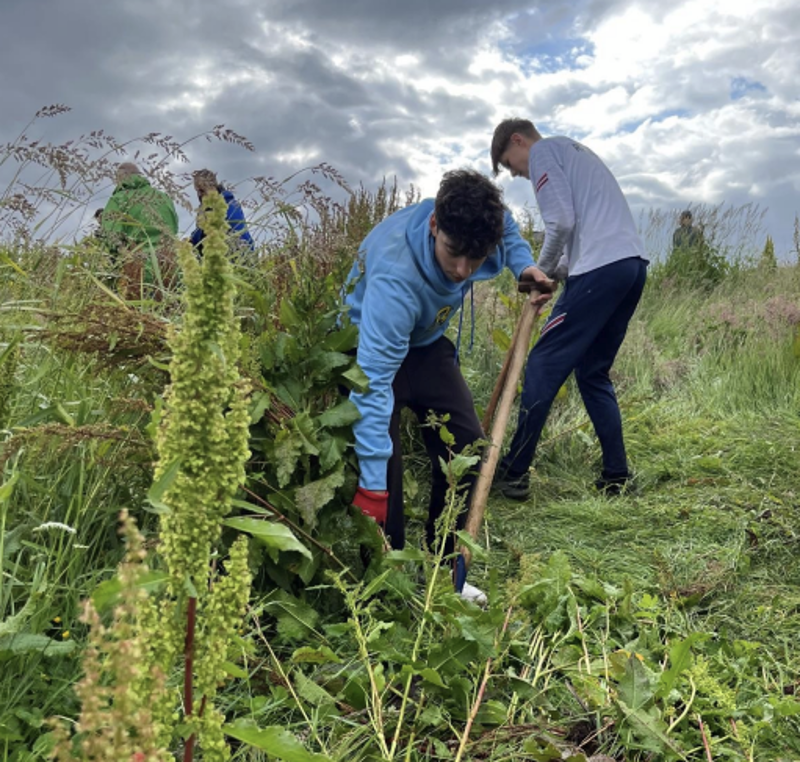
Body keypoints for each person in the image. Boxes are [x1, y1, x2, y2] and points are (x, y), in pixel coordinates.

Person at [344, 168, 554, 604]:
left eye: (475, 260)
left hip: (424, 343)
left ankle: (445, 575)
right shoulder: (395, 281)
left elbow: (508, 225)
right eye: (454, 253)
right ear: (435, 226)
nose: (462, 271)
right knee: (384, 475)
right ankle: (390, 587)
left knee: (467, 449)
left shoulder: (476, 229)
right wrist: (370, 487)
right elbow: (372, 385)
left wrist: (523, 264)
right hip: (367, 343)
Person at [490, 118, 648, 500]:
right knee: (592, 373)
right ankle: (616, 475)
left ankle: (514, 471)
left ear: (518, 140)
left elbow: (560, 221)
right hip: (630, 267)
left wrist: (539, 273)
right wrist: (555, 272)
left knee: (544, 362)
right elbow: (577, 240)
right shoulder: (574, 153)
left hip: (601, 269)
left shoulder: (544, 151)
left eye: (512, 165)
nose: (519, 173)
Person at [101, 163, 179, 298]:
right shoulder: (163, 197)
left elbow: (111, 235)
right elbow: (174, 228)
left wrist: (120, 257)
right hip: (171, 268)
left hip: (138, 272)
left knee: (139, 315)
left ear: (121, 177)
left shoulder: (118, 199)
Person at [189, 169, 255, 255]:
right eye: (197, 191)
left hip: (234, 255)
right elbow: (200, 232)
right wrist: (190, 241)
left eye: (202, 190)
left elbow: (240, 235)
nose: (199, 195)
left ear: (212, 187)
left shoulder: (230, 206)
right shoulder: (203, 210)